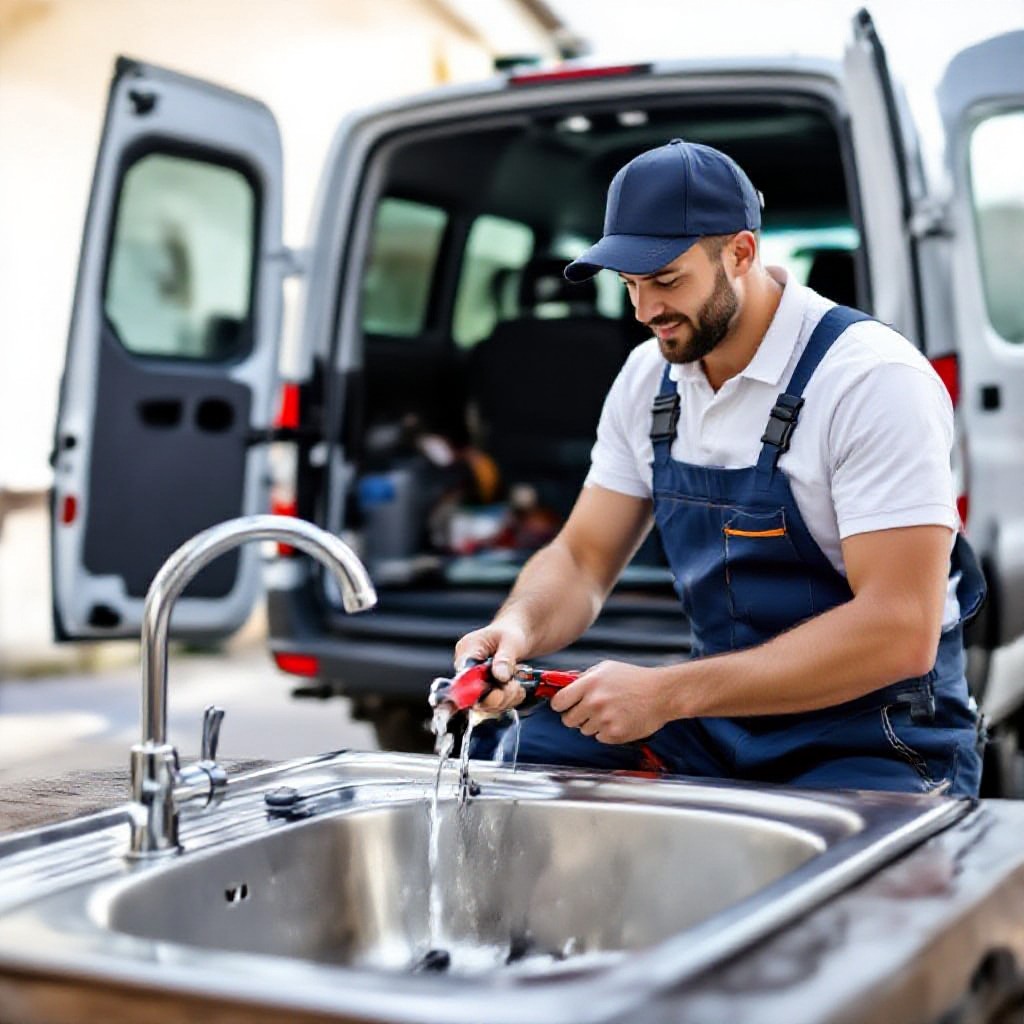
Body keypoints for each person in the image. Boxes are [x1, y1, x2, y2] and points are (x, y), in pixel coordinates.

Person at [455, 139, 985, 797]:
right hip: (720, 717)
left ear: (740, 251)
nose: (646, 312)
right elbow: (585, 557)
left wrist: (666, 693)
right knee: (523, 770)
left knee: (831, 896)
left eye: (667, 280)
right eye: (630, 285)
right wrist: (515, 629)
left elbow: (899, 630)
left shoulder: (872, 381)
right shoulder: (649, 378)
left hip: (876, 737)